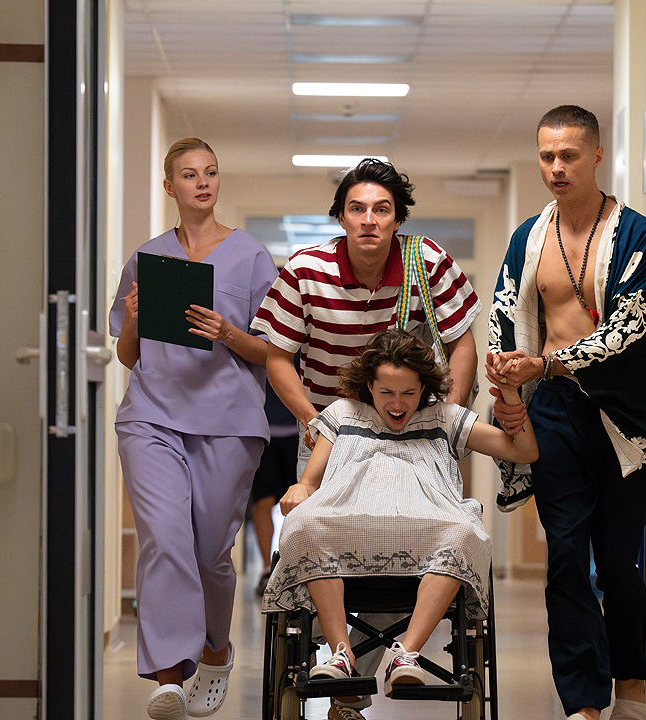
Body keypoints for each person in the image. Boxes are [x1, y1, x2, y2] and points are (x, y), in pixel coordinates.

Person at [251, 158, 482, 720]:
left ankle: (365, 669)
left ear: (398, 217)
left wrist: (445, 416)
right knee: (327, 537)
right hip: (330, 427)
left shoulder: (428, 263)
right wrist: (317, 421)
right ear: (341, 218)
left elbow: (462, 343)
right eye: (357, 209)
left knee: (396, 548)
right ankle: (340, 664)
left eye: (382, 209)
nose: (369, 220)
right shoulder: (305, 270)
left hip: (410, 431)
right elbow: (278, 357)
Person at [484, 106, 646, 720]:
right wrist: (509, 382)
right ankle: (583, 703)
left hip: (624, 416)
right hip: (556, 410)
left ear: (596, 156)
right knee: (565, 557)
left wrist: (546, 364)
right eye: (546, 156)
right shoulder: (528, 238)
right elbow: (505, 318)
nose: (556, 168)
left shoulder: (636, 233)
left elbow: (630, 327)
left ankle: (631, 687)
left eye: (568, 155)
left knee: (617, 562)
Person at [263, 328, 538, 698]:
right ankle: (341, 654)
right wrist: (300, 488)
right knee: (305, 524)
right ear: (369, 385)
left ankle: (405, 655)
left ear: (423, 387)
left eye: (408, 392)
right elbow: (309, 482)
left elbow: (524, 452)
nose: (397, 404)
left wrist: (510, 394)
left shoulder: (445, 417)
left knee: (463, 531)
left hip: (425, 532)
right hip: (348, 528)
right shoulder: (343, 412)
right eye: (386, 392)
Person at [109, 137, 278, 720]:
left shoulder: (251, 256)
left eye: (210, 172)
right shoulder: (148, 258)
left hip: (227, 423)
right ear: (170, 186)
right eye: (189, 174)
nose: (202, 182)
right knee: (164, 539)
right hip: (151, 416)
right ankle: (169, 676)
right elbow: (128, 355)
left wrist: (227, 332)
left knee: (210, 555)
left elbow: (273, 353)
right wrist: (133, 320)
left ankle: (215, 648)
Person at [248, 377, 300, 596]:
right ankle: (267, 569)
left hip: (300, 430)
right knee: (263, 500)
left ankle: (298, 567)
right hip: (263, 431)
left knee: (301, 504)